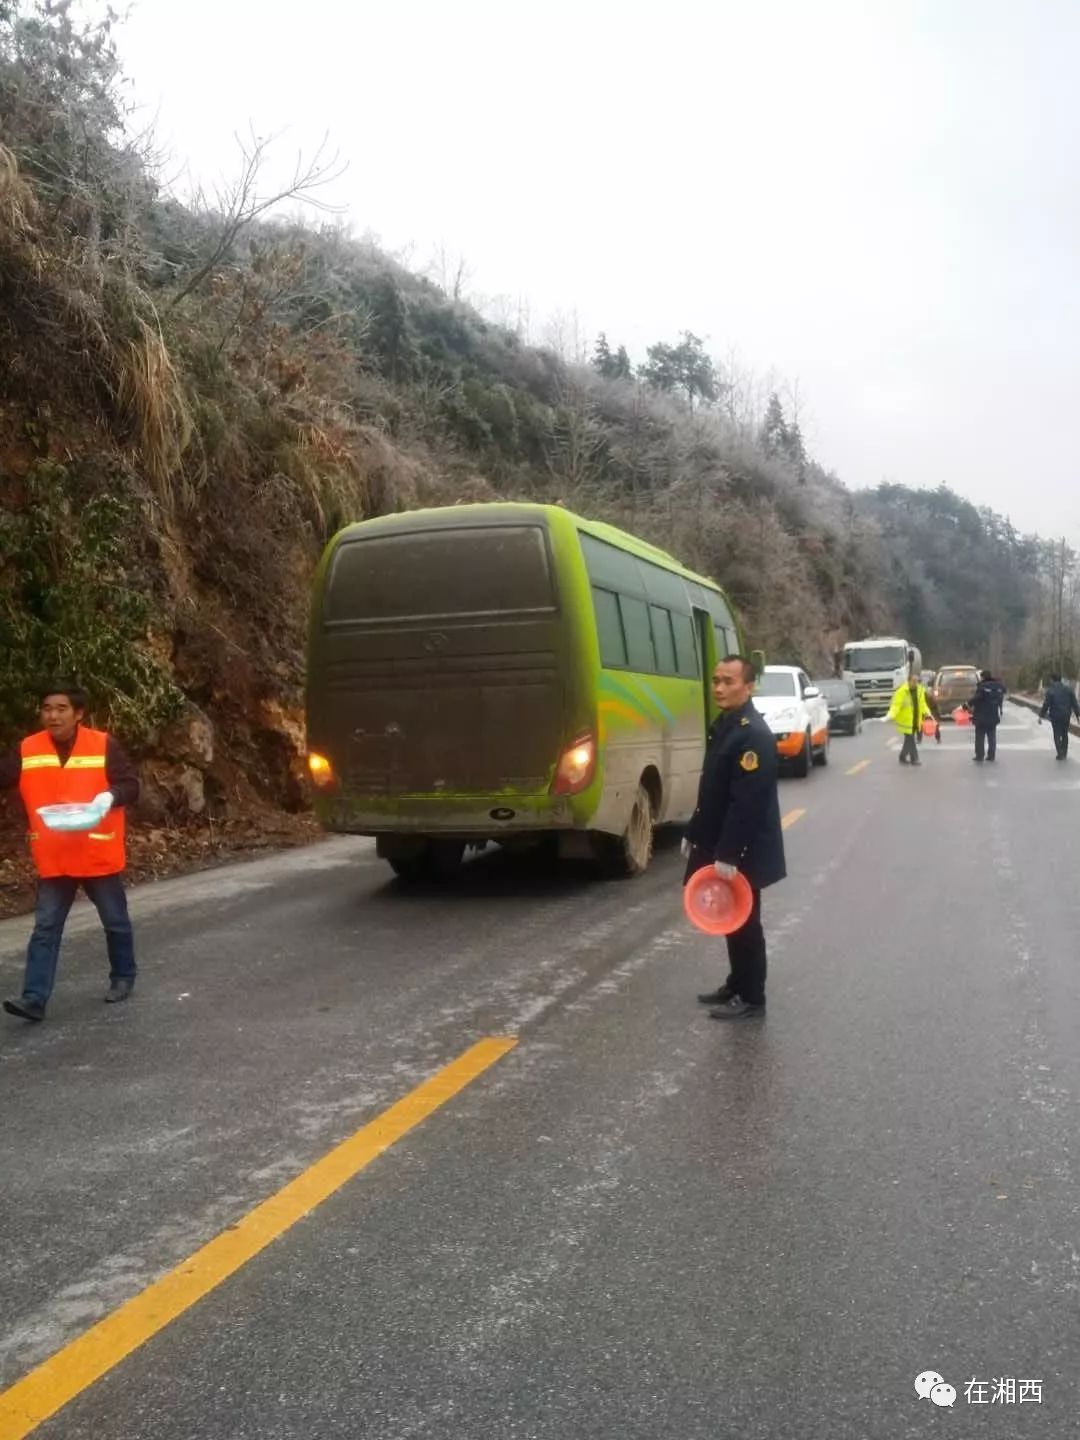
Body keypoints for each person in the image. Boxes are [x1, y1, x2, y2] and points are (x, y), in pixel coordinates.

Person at [1, 681, 140, 1022]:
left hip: (96, 851)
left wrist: (109, 796)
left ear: (78, 714)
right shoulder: (27, 748)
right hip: (55, 855)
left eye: (61, 709)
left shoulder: (103, 745)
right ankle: (34, 998)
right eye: (47, 708)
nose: (52, 715)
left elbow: (131, 785)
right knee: (46, 927)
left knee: (115, 922)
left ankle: (123, 976)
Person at [682, 655, 786, 1021]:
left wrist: (729, 853)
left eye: (728, 681)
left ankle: (752, 997)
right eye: (716, 680)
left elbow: (747, 804)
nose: (719, 688)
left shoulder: (752, 734)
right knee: (731, 917)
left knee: (745, 920)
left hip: (745, 849)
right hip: (724, 842)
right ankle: (736, 982)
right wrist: (694, 832)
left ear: (749, 686)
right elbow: (712, 791)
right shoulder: (726, 725)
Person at [887, 671, 933, 766]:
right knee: (911, 739)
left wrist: (928, 713)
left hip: (916, 719)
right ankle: (914, 758)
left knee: (908, 740)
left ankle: (902, 757)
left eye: (917, 681)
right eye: (913, 681)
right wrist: (890, 714)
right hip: (906, 721)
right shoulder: (901, 691)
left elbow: (923, 704)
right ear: (908, 681)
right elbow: (896, 705)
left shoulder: (920, 690)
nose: (915, 683)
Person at [968, 669, 1007, 763]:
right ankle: (991, 755)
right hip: (993, 715)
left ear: (983, 677)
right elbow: (1003, 693)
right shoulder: (998, 686)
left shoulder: (982, 687)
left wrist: (967, 704)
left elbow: (977, 698)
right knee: (992, 737)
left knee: (980, 736)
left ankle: (980, 755)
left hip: (981, 716)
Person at [1039, 673, 1080, 760]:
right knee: (1065, 734)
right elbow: (1074, 703)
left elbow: (1046, 704)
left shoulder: (1050, 691)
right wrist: (1078, 715)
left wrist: (1041, 715)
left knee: (1057, 734)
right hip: (1066, 715)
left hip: (1055, 716)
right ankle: (1064, 752)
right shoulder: (1068, 689)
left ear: (1052, 680)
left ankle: (1060, 753)